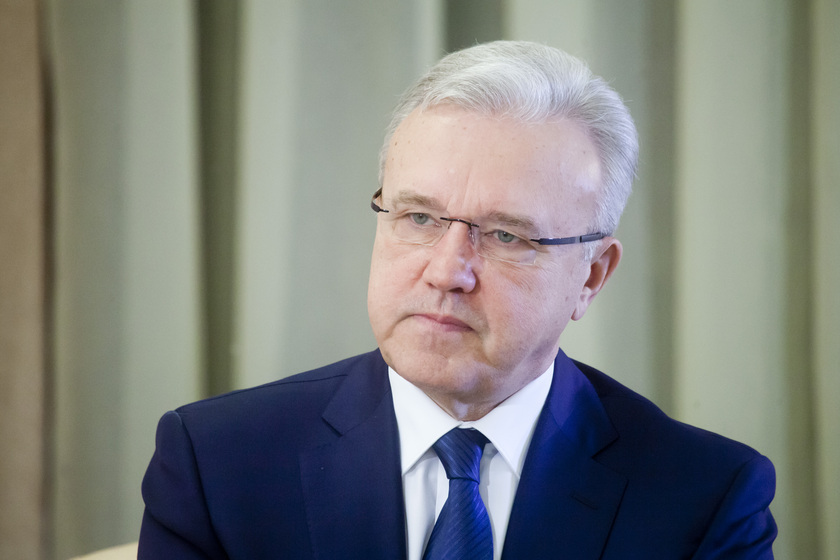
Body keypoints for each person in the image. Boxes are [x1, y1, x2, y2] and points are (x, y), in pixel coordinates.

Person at [139, 41, 776, 559]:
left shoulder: (705, 497)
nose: (447, 272)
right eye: (418, 218)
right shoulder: (216, 463)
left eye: (506, 235)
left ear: (591, 276)